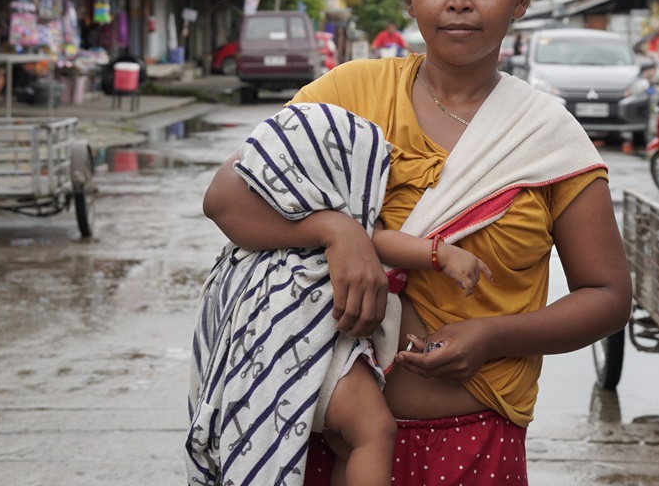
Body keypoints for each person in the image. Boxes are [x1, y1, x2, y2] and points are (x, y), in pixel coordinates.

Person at [198, 0, 632, 485]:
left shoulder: (548, 137)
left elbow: (608, 296)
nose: (459, 0)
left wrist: (493, 336)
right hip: (320, 444)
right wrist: (337, 232)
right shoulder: (350, 93)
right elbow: (226, 198)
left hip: (476, 444)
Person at [186, 103, 491, 486]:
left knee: (347, 442)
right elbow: (382, 242)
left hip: (259, 373)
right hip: (308, 358)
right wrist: (441, 254)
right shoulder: (342, 225)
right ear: (334, 175)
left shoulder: (260, 235)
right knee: (373, 433)